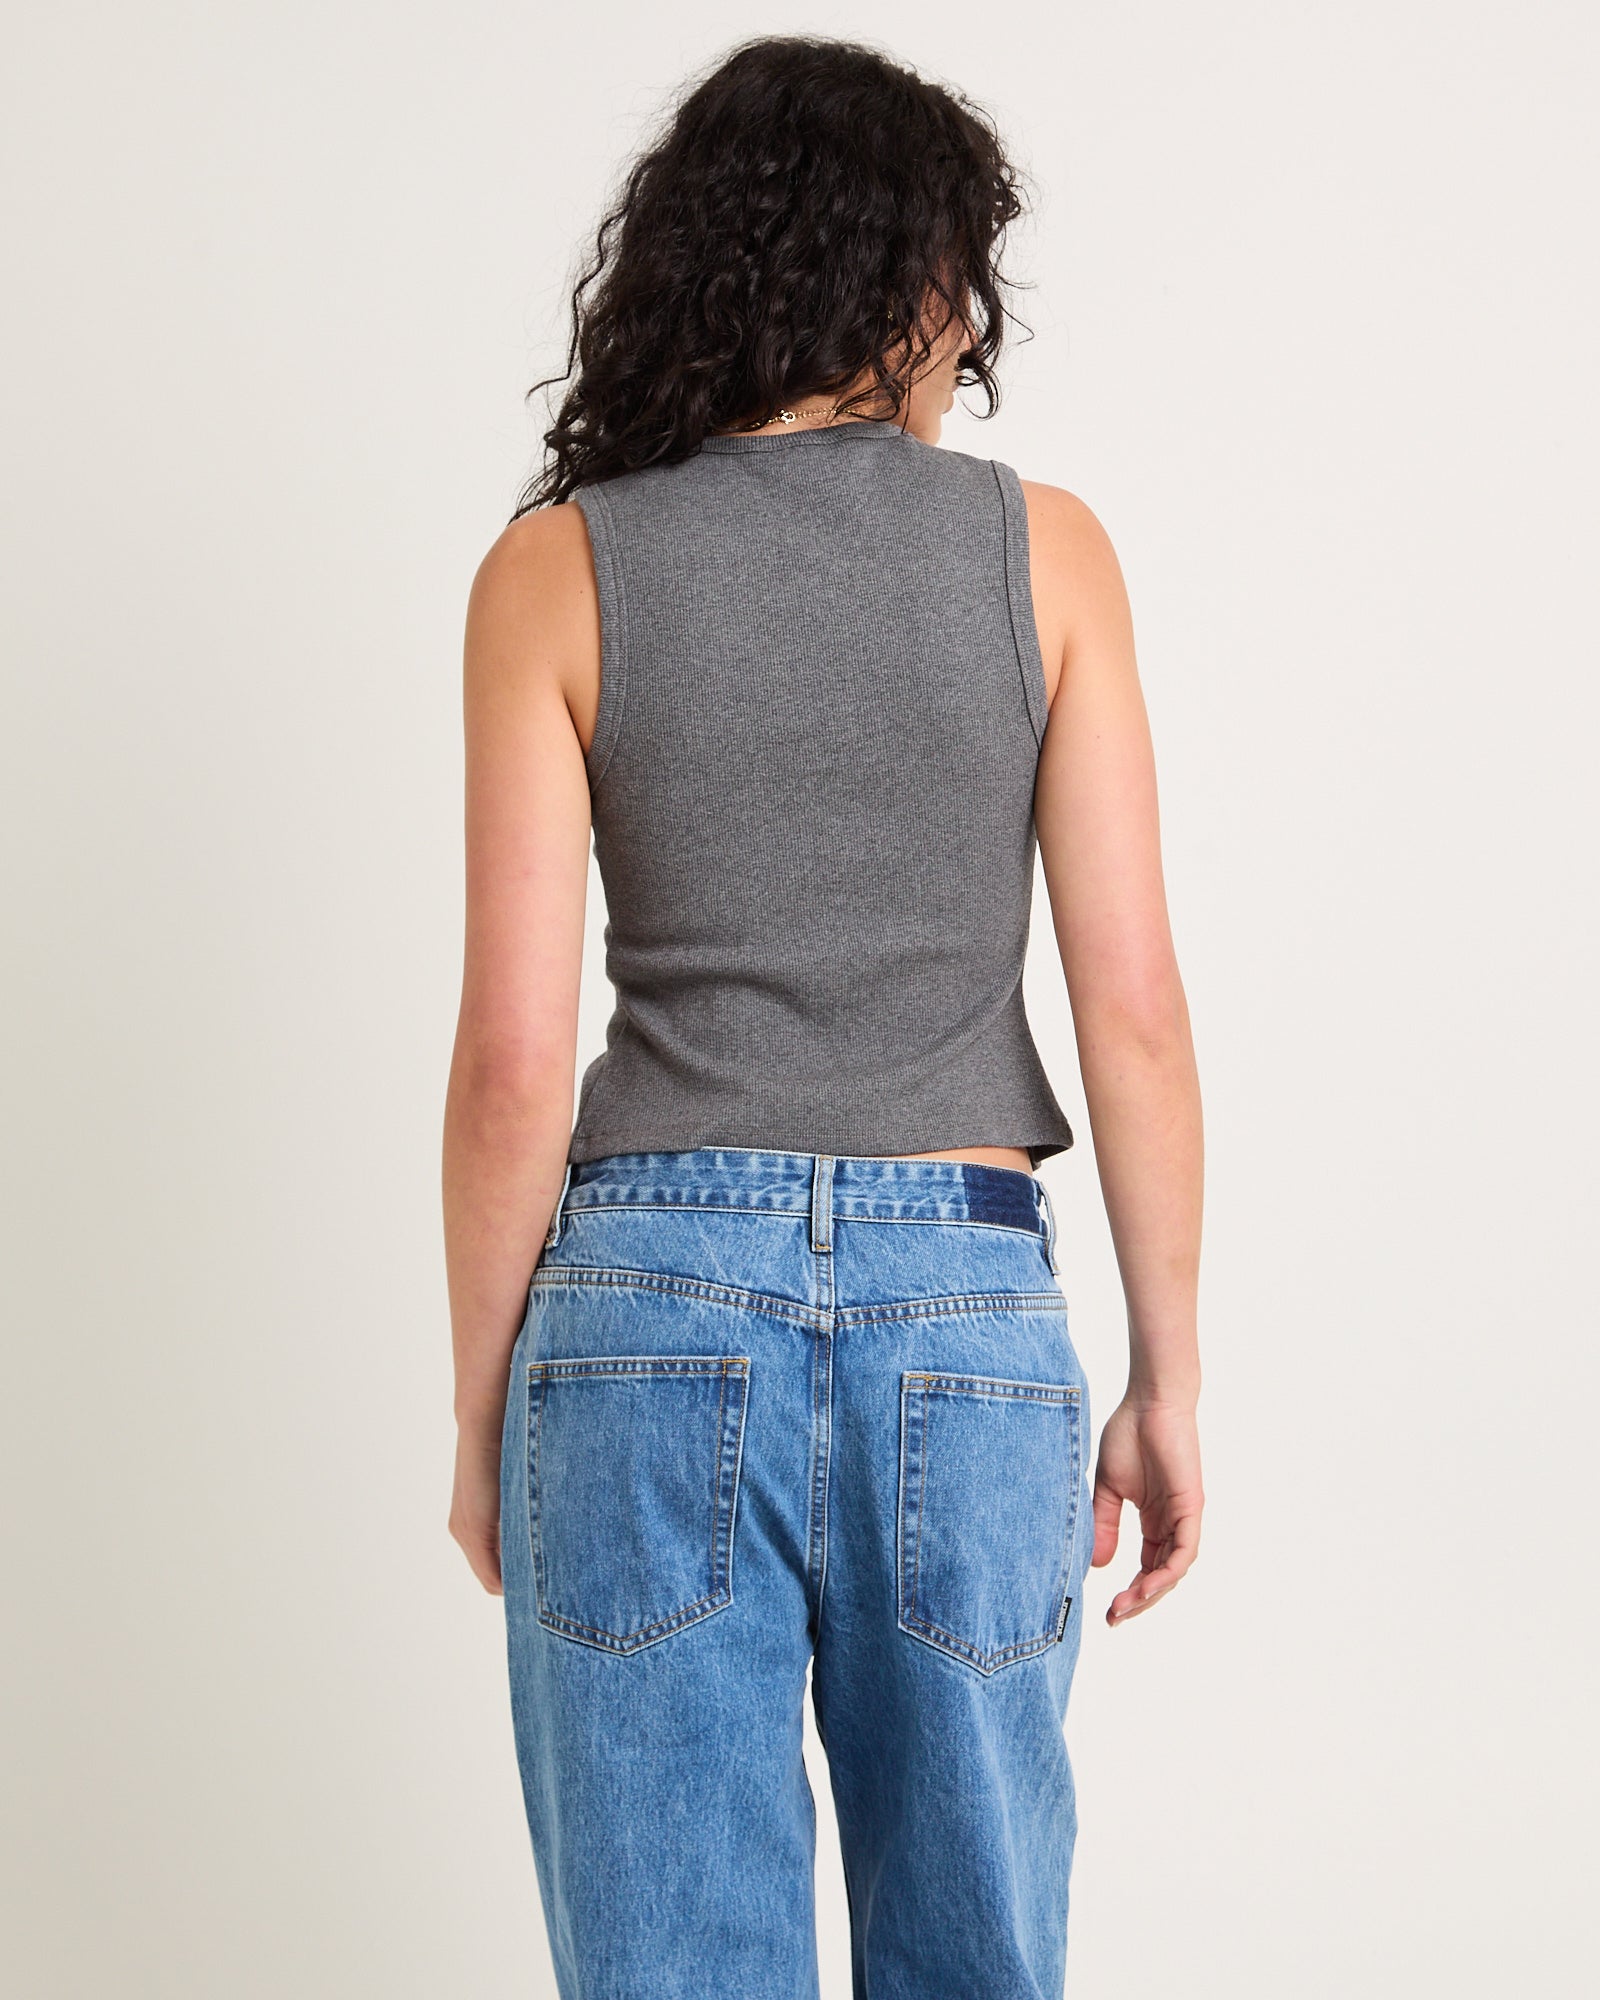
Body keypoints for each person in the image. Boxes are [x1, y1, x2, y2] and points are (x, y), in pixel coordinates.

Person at [442, 32, 1203, 1999]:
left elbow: (514, 1059)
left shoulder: (555, 571)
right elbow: (1128, 1002)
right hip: (965, 1320)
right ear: (915, 280)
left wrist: (486, 1404)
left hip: (640, 1315)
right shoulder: (1043, 555)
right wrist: (1167, 1371)